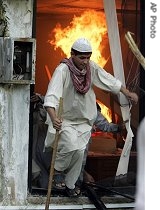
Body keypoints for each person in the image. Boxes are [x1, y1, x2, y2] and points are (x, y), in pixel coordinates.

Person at [43, 37, 138, 197]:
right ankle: (58, 170)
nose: (85, 61)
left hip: (84, 122)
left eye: (88, 57)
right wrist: (53, 117)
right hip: (64, 120)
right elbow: (51, 95)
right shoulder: (63, 70)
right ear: (72, 54)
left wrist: (127, 92)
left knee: (80, 154)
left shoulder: (90, 68)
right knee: (71, 145)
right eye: (82, 57)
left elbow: (108, 79)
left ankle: (71, 184)